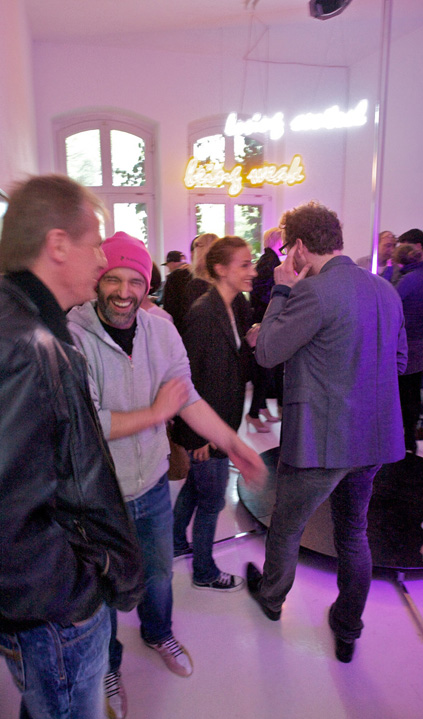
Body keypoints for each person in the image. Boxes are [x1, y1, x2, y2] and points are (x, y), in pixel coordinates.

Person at [0, 175, 143, 719]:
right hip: (54, 620)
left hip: (50, 614)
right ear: (57, 245)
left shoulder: (23, 326)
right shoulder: (14, 345)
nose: (102, 258)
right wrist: (80, 595)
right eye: (94, 243)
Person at [67, 232, 265, 719]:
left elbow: (188, 398)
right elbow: (86, 421)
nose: (124, 291)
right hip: (99, 494)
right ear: (97, 280)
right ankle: (108, 664)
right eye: (113, 279)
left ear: (147, 284)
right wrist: (157, 413)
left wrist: (234, 444)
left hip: (153, 482)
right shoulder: (72, 336)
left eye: (135, 280)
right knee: (103, 588)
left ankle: (158, 633)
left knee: (158, 573)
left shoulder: (161, 332)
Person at [246, 201, 407, 664]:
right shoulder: (385, 290)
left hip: (322, 439)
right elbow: (397, 363)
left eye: (286, 250)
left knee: (287, 525)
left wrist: (281, 290)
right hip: (373, 440)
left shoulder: (311, 292)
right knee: (353, 532)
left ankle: (272, 598)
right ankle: (348, 627)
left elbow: (268, 352)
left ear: (298, 246)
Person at [172, 236, 257, 590]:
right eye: (244, 265)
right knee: (211, 501)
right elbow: (188, 378)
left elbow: (229, 367)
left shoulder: (232, 307)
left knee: (196, 488)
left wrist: (248, 344)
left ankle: (175, 541)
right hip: (207, 429)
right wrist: (198, 437)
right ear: (221, 269)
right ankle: (204, 572)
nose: (253, 271)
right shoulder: (204, 313)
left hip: (220, 422)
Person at [246, 227, 284, 431]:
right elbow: (266, 295)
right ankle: (254, 412)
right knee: (267, 369)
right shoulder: (271, 263)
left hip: (265, 320)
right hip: (266, 322)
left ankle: (260, 408)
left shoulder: (268, 260)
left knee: (269, 369)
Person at [393, 243, 423, 452]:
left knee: (404, 393)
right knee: (414, 392)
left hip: (408, 344)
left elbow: (392, 304)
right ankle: (411, 436)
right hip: (420, 343)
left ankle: (404, 437)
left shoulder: (408, 281)